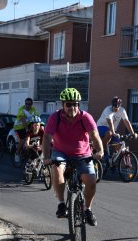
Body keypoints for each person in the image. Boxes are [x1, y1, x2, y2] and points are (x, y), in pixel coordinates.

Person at [43, 88, 104, 226]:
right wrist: (46, 156)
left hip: (83, 154)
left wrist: (100, 150)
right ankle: (61, 204)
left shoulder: (85, 117)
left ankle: (87, 209)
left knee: (91, 182)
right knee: (57, 168)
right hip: (61, 152)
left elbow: (95, 136)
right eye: (69, 104)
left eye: (76, 104)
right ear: (62, 105)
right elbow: (47, 138)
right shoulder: (55, 118)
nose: (73, 107)